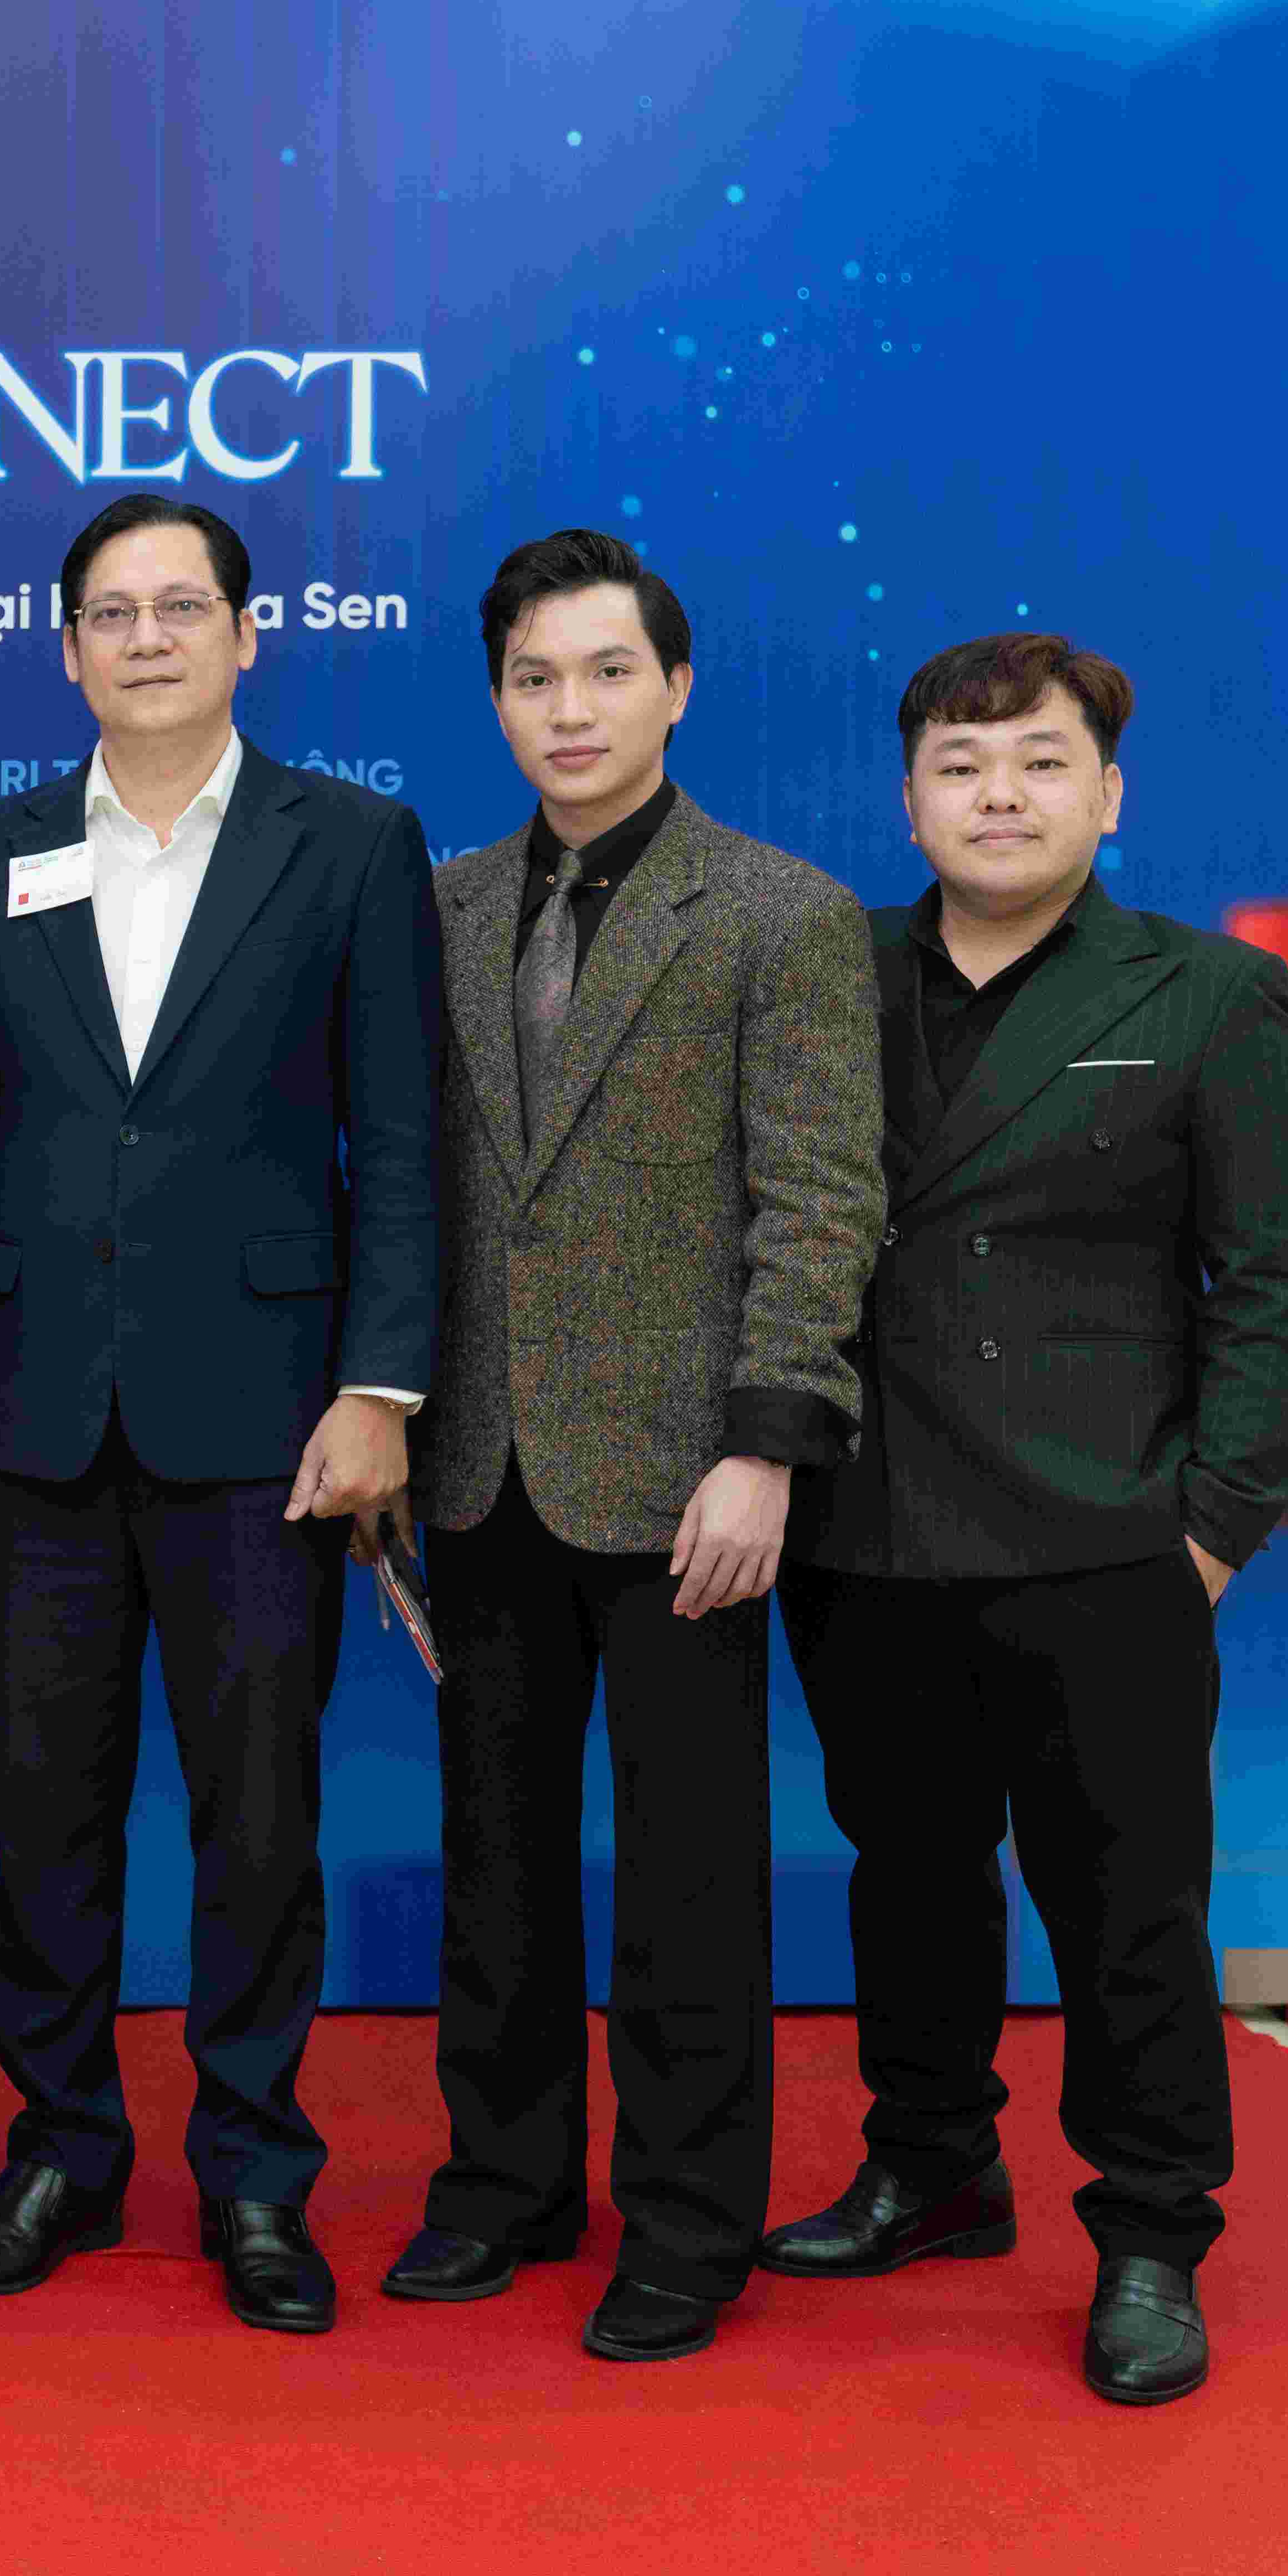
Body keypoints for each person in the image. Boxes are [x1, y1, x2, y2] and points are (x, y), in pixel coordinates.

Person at [768, 635, 1288, 2408]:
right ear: (906, 798)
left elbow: (1272, 1282)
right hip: (865, 1522)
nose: (995, 795)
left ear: (1107, 794)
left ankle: (1152, 2230)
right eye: (958, 764)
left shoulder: (1205, 994)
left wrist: (1212, 1525)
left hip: (1105, 1536)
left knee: (1126, 1907)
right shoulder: (826, 975)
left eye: (1035, 761)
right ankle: (931, 2163)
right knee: (907, 1876)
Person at [0, 493, 443, 2334]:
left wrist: (379, 1385)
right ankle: (56, 2148)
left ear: (243, 634)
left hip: (270, 1420)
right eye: (112, 614)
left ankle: (255, 2172)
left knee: (257, 1816)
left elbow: (402, 1139)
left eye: (180, 607)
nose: (146, 638)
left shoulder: (349, 842)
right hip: (31, 1414)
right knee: (44, 1815)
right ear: (66, 648)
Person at [382, 531, 882, 2362]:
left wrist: (766, 1444)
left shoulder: (776, 911)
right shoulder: (436, 905)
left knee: (686, 1870)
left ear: (674, 687)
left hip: (690, 1478)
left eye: (606, 672)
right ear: (495, 699)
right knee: (492, 1853)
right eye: (533, 677)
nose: (568, 709)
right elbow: (411, 1186)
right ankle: (502, 2183)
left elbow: (819, 1199)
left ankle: (685, 2223)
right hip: (478, 1461)